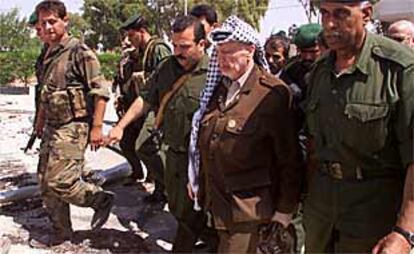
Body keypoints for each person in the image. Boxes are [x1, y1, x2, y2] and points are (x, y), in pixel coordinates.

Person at [304, 0, 414, 253]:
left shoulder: (400, 68)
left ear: (366, 14)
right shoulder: (320, 71)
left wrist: (404, 233)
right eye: (325, 14)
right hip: (321, 213)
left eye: (341, 14)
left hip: (374, 217)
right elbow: (312, 144)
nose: (330, 24)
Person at [187, 16, 304, 253]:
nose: (222, 60)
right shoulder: (220, 88)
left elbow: (289, 159)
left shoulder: (271, 94)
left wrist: (284, 211)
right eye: (219, 53)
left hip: (250, 212)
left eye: (230, 52)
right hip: (218, 205)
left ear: (250, 50)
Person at [108, 15, 215, 252]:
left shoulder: (216, 73)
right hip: (174, 156)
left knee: (197, 216)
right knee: (178, 209)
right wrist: (120, 127)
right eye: (175, 45)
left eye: (185, 47)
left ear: (202, 44)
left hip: (201, 161)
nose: (178, 52)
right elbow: (145, 99)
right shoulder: (167, 67)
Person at [31, 0, 114, 247]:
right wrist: (39, 120)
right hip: (52, 126)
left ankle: (99, 199)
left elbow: (100, 91)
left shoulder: (80, 52)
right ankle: (62, 233)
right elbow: (45, 94)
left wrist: (97, 128)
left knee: (61, 181)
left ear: (65, 21)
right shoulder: (45, 53)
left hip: (73, 126)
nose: (47, 27)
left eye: (52, 21)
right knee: (45, 183)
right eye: (42, 22)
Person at [115, 15, 171, 202]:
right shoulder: (138, 53)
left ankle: (165, 187)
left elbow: (166, 81)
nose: (129, 40)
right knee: (126, 141)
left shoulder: (158, 49)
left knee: (145, 145)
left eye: (131, 35)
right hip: (140, 105)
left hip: (156, 106)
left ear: (142, 32)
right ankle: (140, 174)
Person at [280, 23, 323, 105]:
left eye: (313, 52)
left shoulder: (334, 69)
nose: (307, 57)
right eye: (303, 51)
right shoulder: (291, 71)